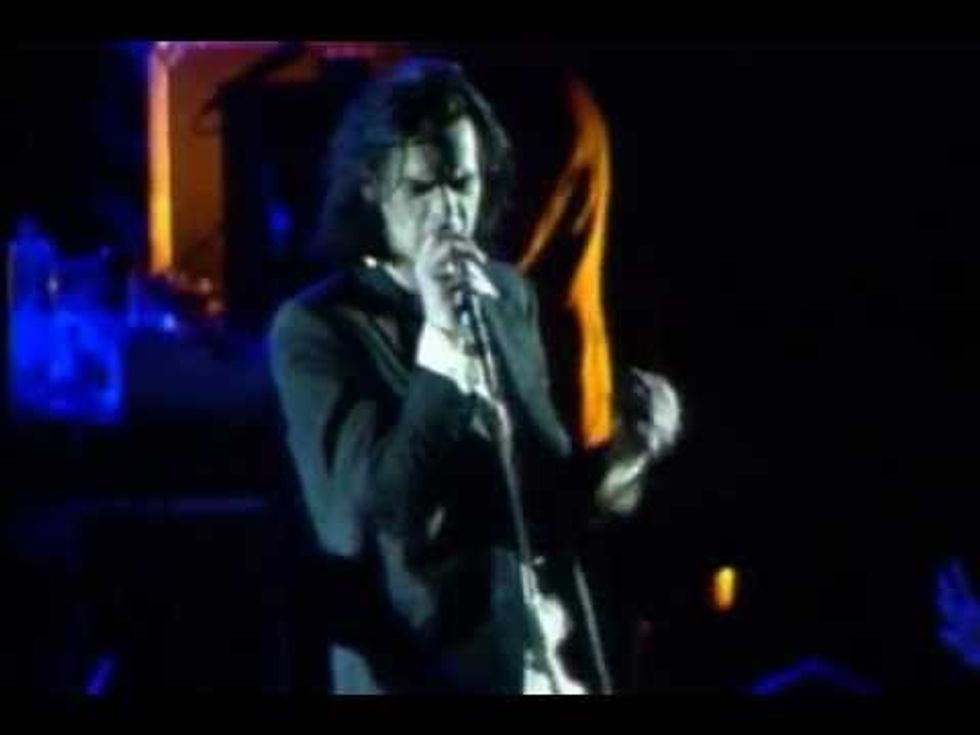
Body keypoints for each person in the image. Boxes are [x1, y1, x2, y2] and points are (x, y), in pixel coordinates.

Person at [269, 57, 682, 694]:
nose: (449, 212)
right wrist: (440, 340)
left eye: (462, 183)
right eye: (422, 188)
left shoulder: (507, 297)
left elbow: (539, 502)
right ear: (370, 184)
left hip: (537, 663)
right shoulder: (319, 329)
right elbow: (373, 513)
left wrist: (628, 457)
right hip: (423, 676)